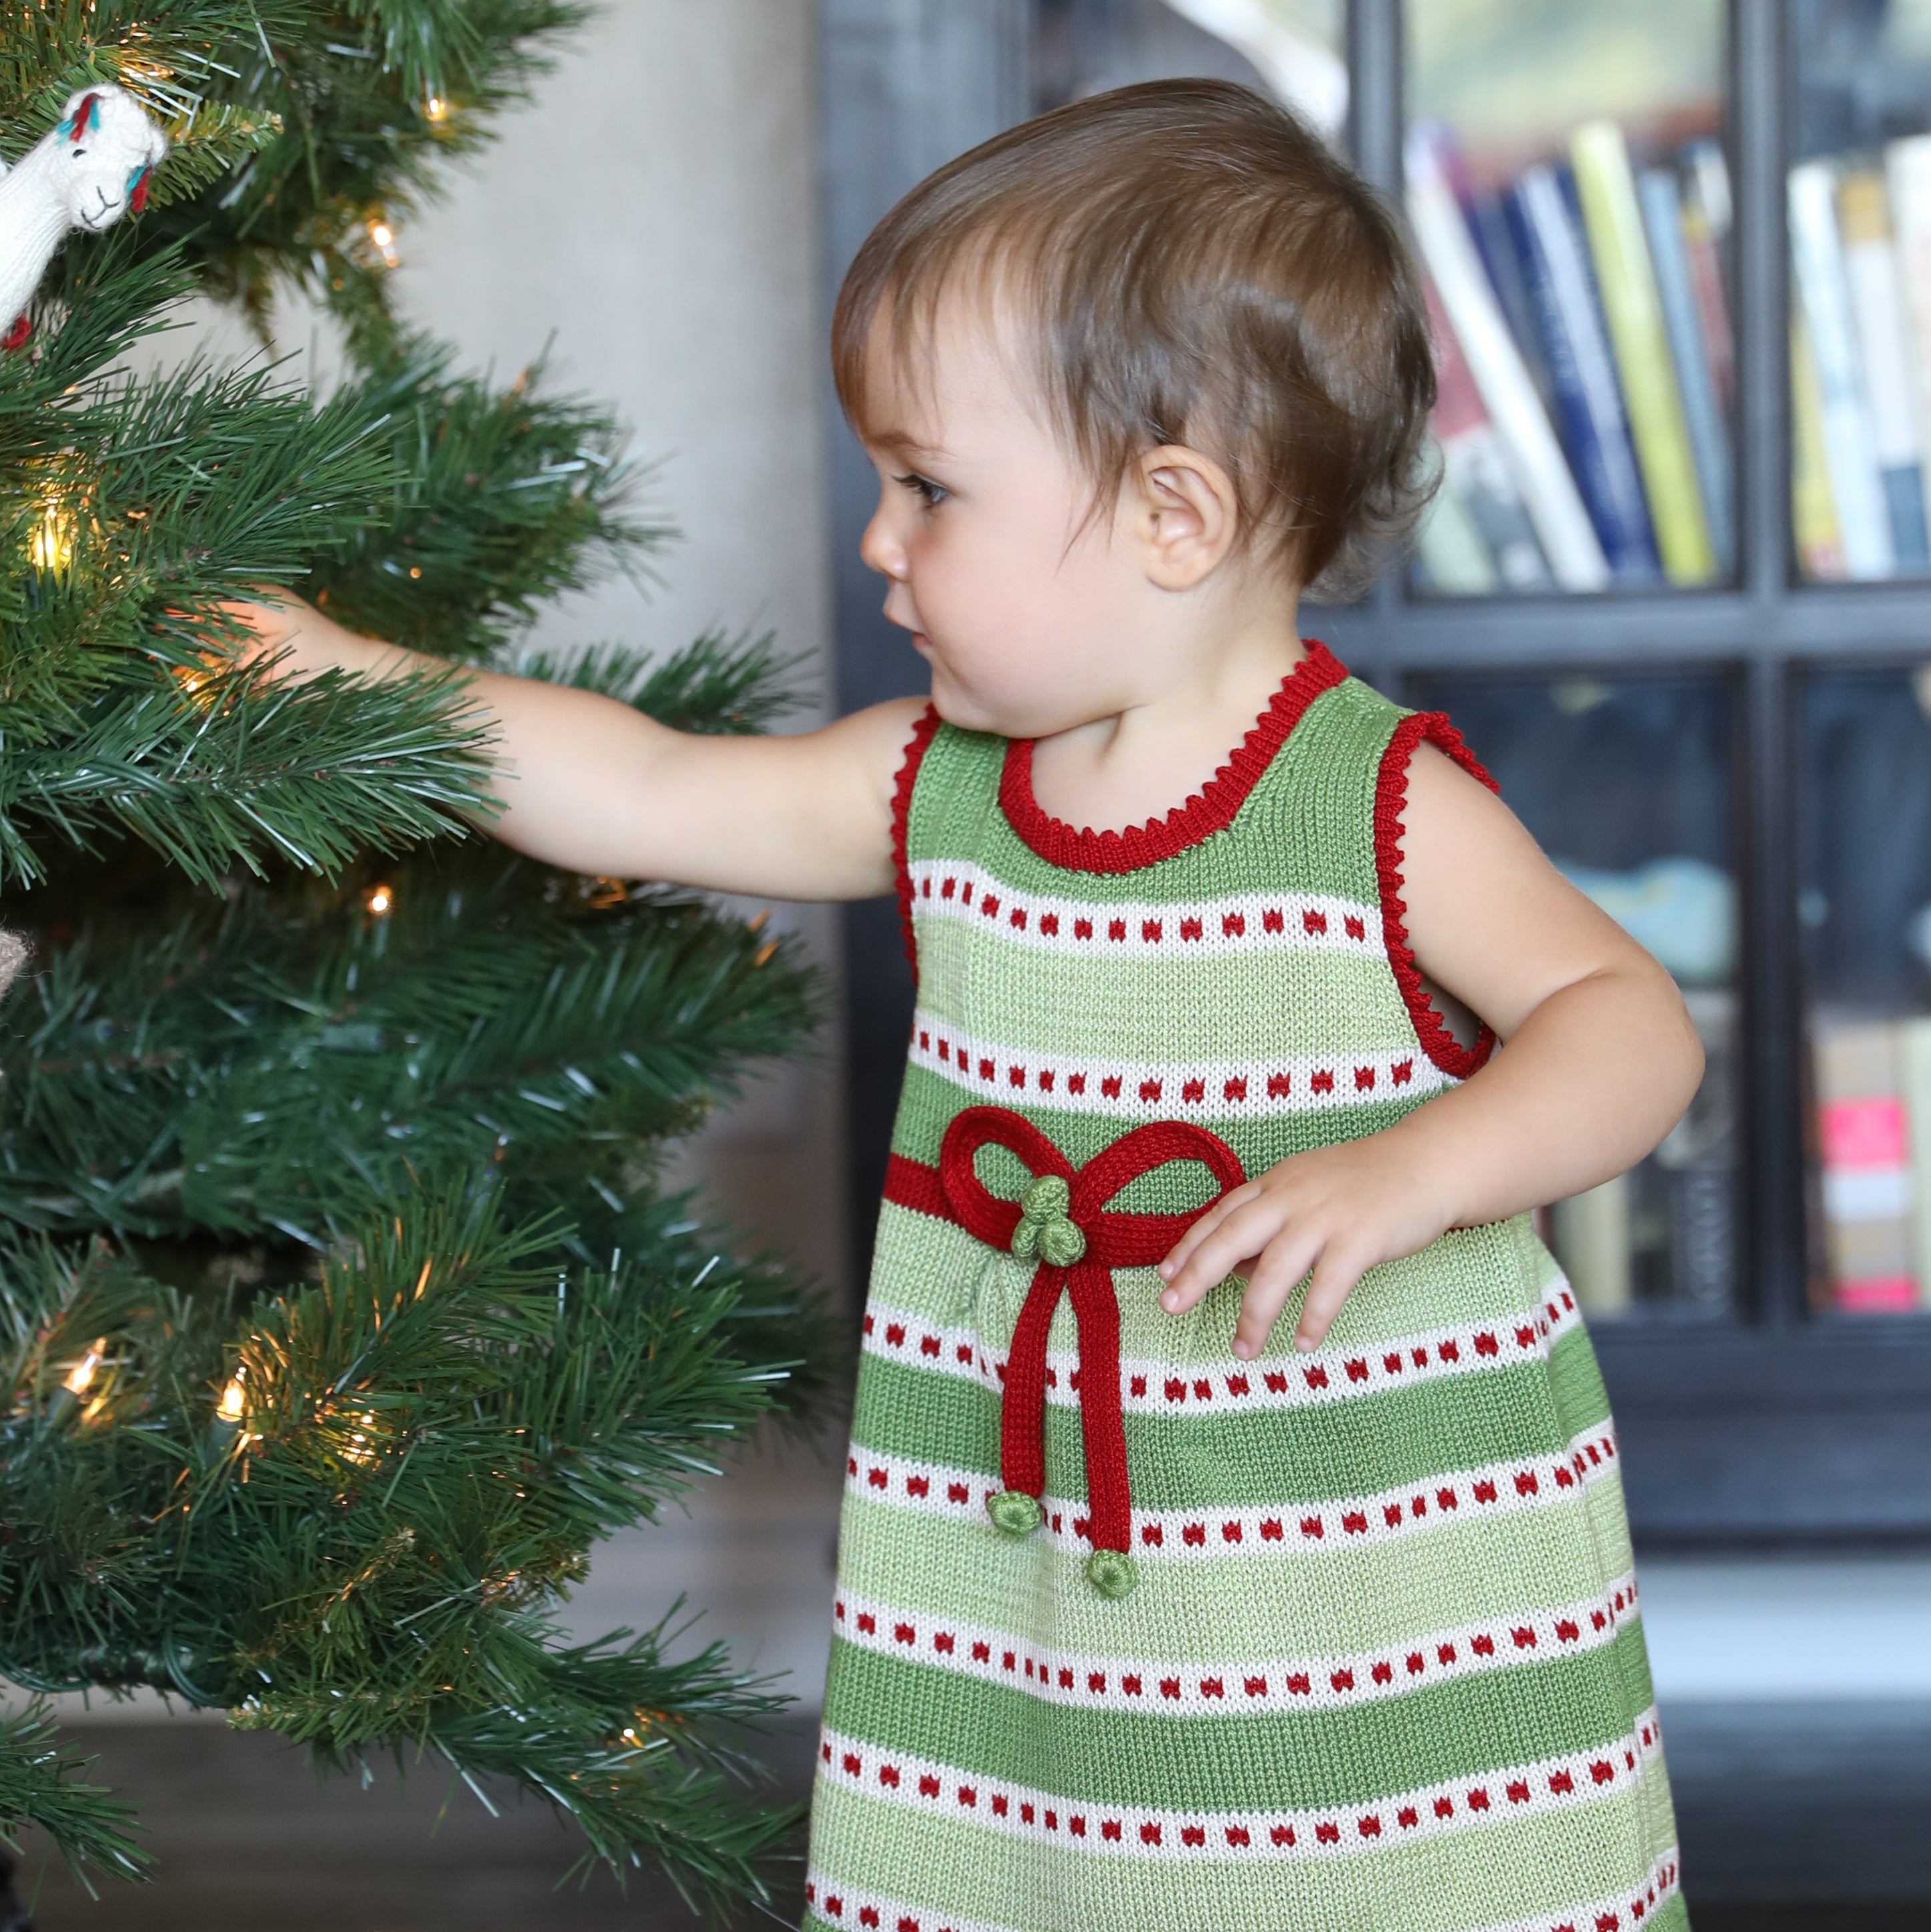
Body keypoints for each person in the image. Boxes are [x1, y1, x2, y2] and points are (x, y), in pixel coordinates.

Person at [235, 79, 1699, 1932]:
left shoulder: (1372, 807)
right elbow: (651, 789)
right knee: (1068, 1868)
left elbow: (1632, 1023)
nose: (879, 539)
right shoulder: (938, 789)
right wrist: (354, 681)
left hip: (1371, 1576)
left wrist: (1418, 1170)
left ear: (1176, 514)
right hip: (1041, 1579)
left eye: (928, 485)